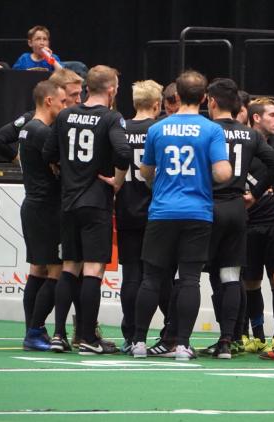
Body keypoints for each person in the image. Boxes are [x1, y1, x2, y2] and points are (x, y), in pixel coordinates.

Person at [131, 70, 232, 361]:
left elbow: (145, 172)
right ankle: (183, 345)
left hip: (162, 211)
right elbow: (223, 172)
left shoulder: (157, 129)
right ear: (204, 98)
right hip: (197, 213)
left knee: (151, 278)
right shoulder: (211, 130)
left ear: (174, 98)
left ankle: (138, 341)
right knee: (189, 279)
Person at [43, 65, 131, 355]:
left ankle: (58, 334)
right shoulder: (112, 117)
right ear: (111, 90)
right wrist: (116, 182)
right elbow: (123, 153)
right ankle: (86, 338)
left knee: (69, 267)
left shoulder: (66, 114)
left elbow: (48, 152)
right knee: (93, 270)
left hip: (69, 202)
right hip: (96, 203)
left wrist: (66, 172)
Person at [203, 79, 274, 359]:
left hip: (208, 207)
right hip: (237, 207)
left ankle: (180, 338)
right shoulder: (250, 135)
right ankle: (229, 340)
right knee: (232, 275)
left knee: (205, 275)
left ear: (212, 101)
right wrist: (255, 194)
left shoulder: (207, 130)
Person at [18, 80, 67, 351]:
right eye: (62, 102)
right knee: (56, 270)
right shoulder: (40, 132)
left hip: (34, 206)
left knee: (37, 268)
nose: (64, 107)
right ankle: (35, 330)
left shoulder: (27, 130)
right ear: (49, 101)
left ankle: (33, 329)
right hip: (47, 208)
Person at [117, 79, 163, 353]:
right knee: (158, 276)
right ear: (157, 105)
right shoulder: (159, 130)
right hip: (156, 212)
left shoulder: (120, 128)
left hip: (126, 209)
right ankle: (161, 334)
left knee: (131, 275)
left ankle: (131, 333)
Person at [239, 97, 274, 355]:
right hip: (249, 225)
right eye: (272, 115)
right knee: (250, 283)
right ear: (256, 118)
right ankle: (256, 335)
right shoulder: (243, 145)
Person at [0, 68, 84, 163]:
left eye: (80, 94)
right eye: (74, 95)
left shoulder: (81, 119)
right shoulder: (33, 120)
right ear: (57, 92)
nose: (79, 100)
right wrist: (21, 161)